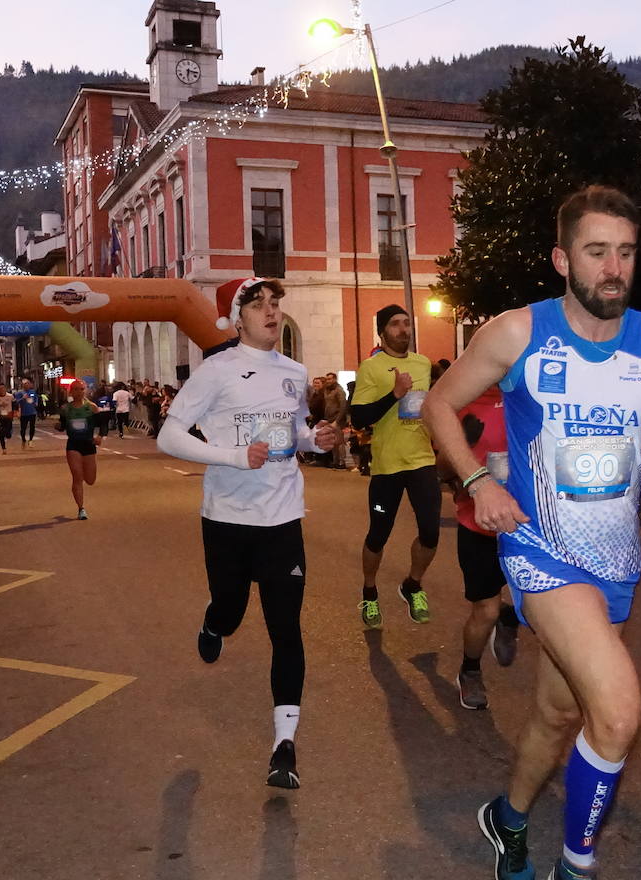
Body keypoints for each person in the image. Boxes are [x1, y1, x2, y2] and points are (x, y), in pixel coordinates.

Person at [422, 185, 641, 880]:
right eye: (597, 252)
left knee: (559, 716)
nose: (613, 267)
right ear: (563, 259)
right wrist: (474, 483)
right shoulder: (517, 333)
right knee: (616, 712)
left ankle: (509, 817)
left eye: (625, 252)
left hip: (616, 564)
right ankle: (577, 871)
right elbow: (438, 404)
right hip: (539, 550)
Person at [158, 276, 339, 789]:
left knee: (287, 630)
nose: (271, 310)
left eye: (275, 302)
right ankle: (214, 624)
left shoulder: (295, 371)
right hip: (227, 518)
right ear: (235, 318)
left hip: (282, 519)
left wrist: (317, 439)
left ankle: (284, 746)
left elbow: (295, 431)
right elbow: (169, 436)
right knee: (232, 611)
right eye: (258, 304)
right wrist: (234, 456)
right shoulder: (216, 371)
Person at [350, 305, 440, 628]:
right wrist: (394, 395)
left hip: (421, 459)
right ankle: (370, 592)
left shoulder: (423, 364)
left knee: (431, 533)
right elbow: (358, 418)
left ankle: (412, 584)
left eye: (406, 324)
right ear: (382, 331)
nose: (403, 330)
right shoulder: (371, 368)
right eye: (395, 325)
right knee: (378, 535)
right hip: (387, 465)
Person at [436, 384, 522, 710]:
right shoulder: (462, 399)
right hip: (479, 524)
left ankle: (510, 617)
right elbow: (441, 469)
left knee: (539, 604)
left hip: (526, 523)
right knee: (484, 609)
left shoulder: (531, 392)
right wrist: (465, 442)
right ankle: (469, 671)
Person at [58, 380, 99, 520]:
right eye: (76, 389)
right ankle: (81, 508)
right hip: (73, 445)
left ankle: (81, 506)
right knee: (77, 476)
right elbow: (62, 426)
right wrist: (59, 426)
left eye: (81, 389)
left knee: (90, 480)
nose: (79, 392)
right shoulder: (65, 409)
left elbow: (102, 425)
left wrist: (100, 436)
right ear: (71, 392)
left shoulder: (92, 408)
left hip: (88, 445)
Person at [14, 377, 40, 449]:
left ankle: (31, 440)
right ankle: (23, 440)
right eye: (25, 384)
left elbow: (36, 399)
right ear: (23, 385)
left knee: (32, 427)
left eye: (28, 383)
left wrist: (36, 403)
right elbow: (16, 402)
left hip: (32, 412)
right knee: (23, 428)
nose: (27, 385)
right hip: (24, 413)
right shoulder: (19, 393)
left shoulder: (33, 392)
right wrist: (23, 398)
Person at [0, 384, 15, 452]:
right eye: (0, 389)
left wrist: (16, 412)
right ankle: (3, 448)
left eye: (3, 388)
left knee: (8, 434)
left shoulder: (10, 396)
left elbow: (14, 404)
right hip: (0, 417)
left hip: (8, 417)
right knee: (1, 433)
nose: (2, 390)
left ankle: (8, 434)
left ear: (5, 389)